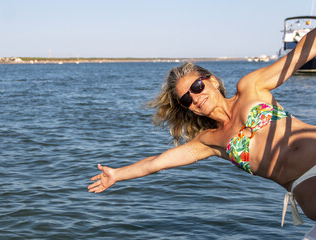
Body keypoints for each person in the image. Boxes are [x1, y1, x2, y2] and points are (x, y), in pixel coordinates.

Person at [88, 28, 316, 226]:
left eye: (197, 86)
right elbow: (157, 162)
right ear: (187, 108)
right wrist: (117, 174)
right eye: (186, 99)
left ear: (213, 81)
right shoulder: (210, 141)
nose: (195, 97)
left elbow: (298, 54)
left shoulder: (250, 88)